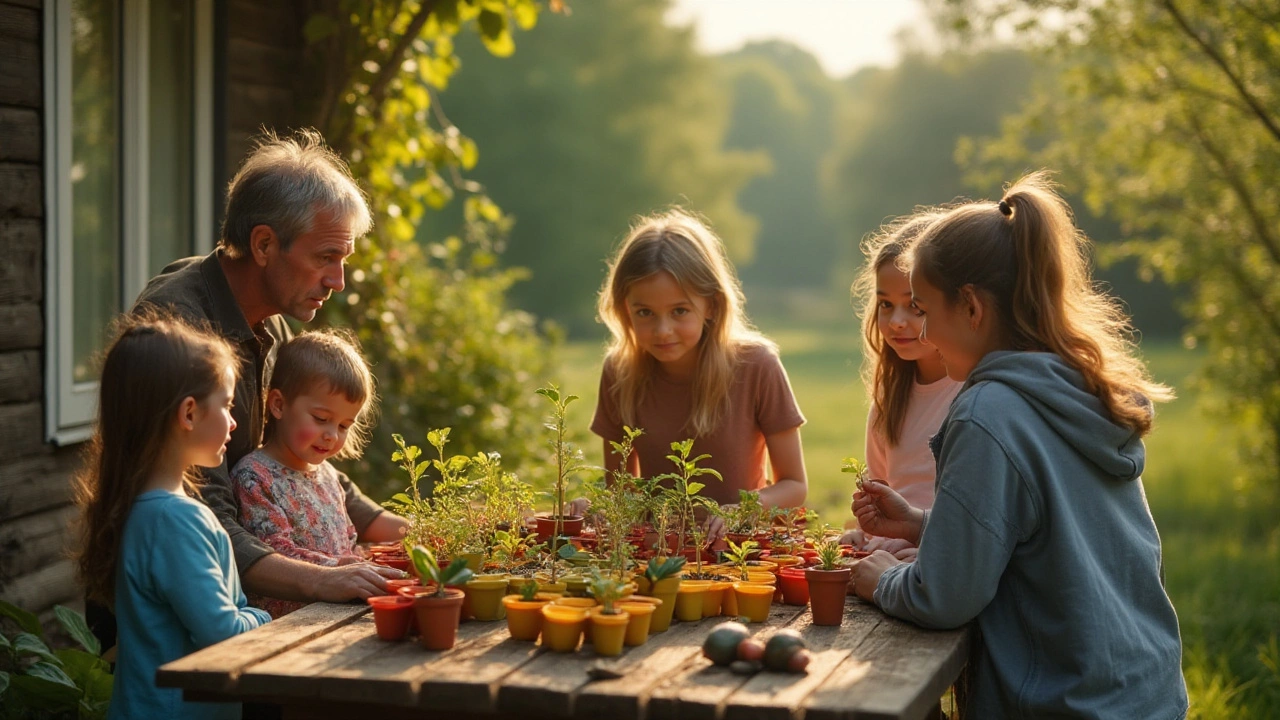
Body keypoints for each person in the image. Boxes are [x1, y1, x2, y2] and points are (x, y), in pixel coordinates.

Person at [849, 172, 1188, 718]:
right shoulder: (1074, 385)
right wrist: (920, 523)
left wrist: (879, 581)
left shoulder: (988, 412)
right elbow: (1048, 538)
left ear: (972, 308)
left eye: (927, 311)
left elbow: (945, 596)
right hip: (1142, 691)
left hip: (1063, 702)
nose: (925, 334)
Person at [84, 129, 401, 653]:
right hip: (173, 629)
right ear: (263, 244)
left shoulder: (273, 327)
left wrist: (395, 528)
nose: (338, 280)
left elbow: (297, 460)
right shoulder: (180, 328)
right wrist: (323, 581)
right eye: (326, 257)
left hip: (233, 602)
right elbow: (199, 507)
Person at [73, 313, 271, 720]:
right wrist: (264, 615)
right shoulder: (177, 521)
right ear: (189, 414)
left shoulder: (139, 508)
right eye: (227, 405)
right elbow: (223, 634)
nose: (234, 422)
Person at [589, 209, 808, 541]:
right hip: (654, 554)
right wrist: (595, 509)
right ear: (624, 310)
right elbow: (620, 489)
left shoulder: (757, 366)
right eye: (644, 312)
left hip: (738, 553)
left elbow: (794, 486)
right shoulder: (619, 372)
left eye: (680, 311)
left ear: (712, 306)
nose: (663, 331)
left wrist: (740, 512)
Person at [233, 330, 409, 617]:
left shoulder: (328, 475)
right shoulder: (255, 476)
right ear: (278, 404)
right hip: (289, 626)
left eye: (343, 426)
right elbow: (275, 554)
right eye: (321, 419)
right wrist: (345, 569)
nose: (331, 436)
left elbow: (347, 542)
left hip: (336, 614)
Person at [839, 211, 961, 558]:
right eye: (886, 305)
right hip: (890, 557)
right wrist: (865, 535)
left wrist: (925, 551)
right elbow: (886, 498)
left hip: (942, 556)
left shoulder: (972, 394)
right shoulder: (888, 402)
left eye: (914, 306)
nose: (896, 322)